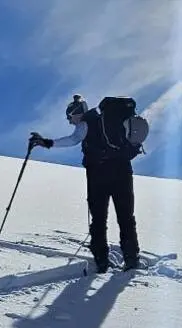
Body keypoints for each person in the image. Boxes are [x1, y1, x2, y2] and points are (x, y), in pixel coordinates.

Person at [31, 95, 141, 273]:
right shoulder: (107, 121)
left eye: (69, 117)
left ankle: (101, 260)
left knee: (99, 219)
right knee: (126, 217)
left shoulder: (85, 123)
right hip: (122, 171)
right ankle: (131, 259)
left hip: (98, 174)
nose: (70, 121)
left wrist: (47, 142)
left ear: (76, 113)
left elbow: (72, 139)